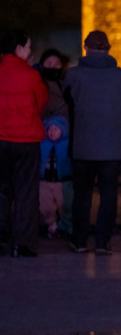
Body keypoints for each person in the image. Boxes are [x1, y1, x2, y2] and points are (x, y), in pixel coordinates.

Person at [63, 30, 121, 255]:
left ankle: (80, 240)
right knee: (109, 195)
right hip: (111, 146)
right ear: (108, 49)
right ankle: (102, 242)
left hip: (82, 144)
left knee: (82, 195)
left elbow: (67, 106)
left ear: (85, 48)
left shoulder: (73, 76)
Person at [0, 29, 49, 257]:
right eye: (28, 47)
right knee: (26, 192)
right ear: (18, 49)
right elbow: (41, 103)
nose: (30, 52)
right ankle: (23, 244)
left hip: (1, 139)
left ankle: (1, 240)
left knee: (2, 191)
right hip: (26, 140)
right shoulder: (31, 76)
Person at [39, 116, 72, 238]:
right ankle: (51, 224)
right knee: (45, 204)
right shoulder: (43, 144)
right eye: (50, 129)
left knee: (65, 204)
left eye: (56, 129)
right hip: (45, 180)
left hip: (62, 181)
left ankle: (67, 226)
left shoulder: (67, 144)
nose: (52, 131)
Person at [36, 49, 70, 121]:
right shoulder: (37, 85)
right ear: (41, 66)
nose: (53, 67)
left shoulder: (66, 84)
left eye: (57, 64)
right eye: (49, 63)